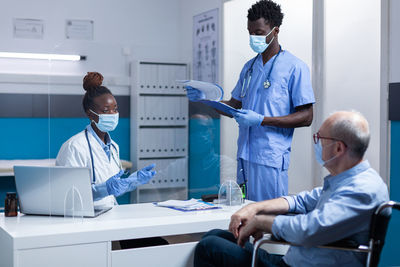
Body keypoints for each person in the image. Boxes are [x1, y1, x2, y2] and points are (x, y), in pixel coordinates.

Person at [194, 110, 389, 267]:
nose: (317, 144)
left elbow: (309, 229)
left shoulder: (362, 190)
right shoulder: (344, 181)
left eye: (320, 139)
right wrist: (253, 209)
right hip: (292, 261)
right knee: (217, 236)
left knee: (210, 247)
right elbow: (301, 201)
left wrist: (261, 222)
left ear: (338, 148)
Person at [186, 0, 315, 201]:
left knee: (268, 218)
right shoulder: (249, 68)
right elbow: (234, 107)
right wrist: (207, 99)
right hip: (245, 156)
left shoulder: (295, 67)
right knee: (245, 214)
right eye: (250, 32)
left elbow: (307, 116)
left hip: (270, 159)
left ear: (275, 31)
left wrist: (261, 120)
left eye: (259, 32)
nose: (253, 37)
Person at [56, 72, 156, 207]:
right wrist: (104, 189)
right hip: (84, 216)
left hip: (109, 213)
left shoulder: (113, 147)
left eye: (115, 109)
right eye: (106, 110)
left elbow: (114, 188)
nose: (113, 114)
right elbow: (68, 194)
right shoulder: (75, 146)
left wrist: (132, 181)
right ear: (90, 113)